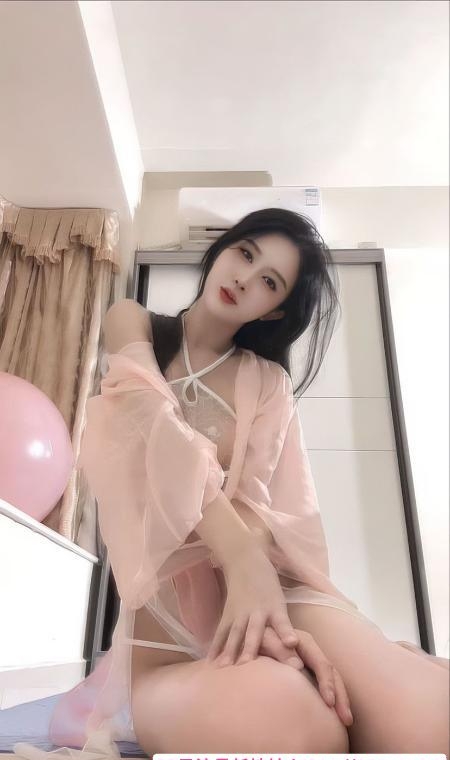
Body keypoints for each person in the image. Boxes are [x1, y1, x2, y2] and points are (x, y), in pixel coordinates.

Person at [13, 209, 449, 759]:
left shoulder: (269, 382)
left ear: (276, 309)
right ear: (223, 249)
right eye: (245, 253)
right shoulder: (134, 324)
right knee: (299, 732)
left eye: (269, 281)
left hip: (278, 594)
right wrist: (241, 557)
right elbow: (150, 426)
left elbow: (269, 510)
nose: (244, 278)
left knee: (429, 726)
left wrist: (261, 594)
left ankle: (386, 658)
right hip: (173, 634)